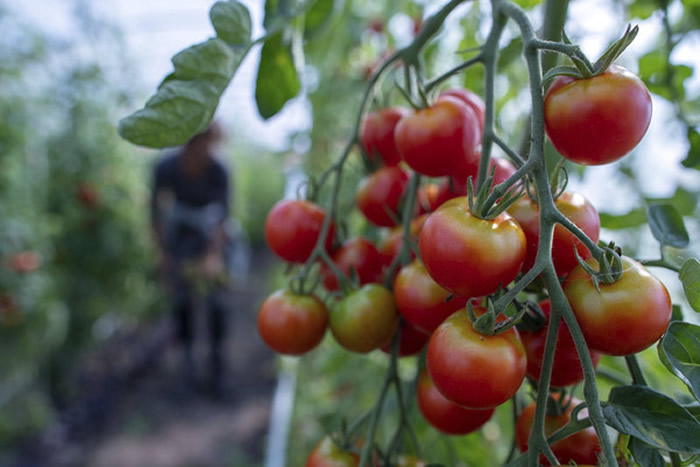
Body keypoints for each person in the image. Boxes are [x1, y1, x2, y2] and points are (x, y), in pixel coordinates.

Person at [150, 122, 232, 397]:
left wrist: (213, 256)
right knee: (181, 303)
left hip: (211, 239)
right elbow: (156, 214)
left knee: (217, 304)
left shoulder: (219, 171)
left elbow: (223, 218)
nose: (205, 150)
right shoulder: (166, 168)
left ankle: (217, 368)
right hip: (180, 240)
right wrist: (163, 253)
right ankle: (187, 367)